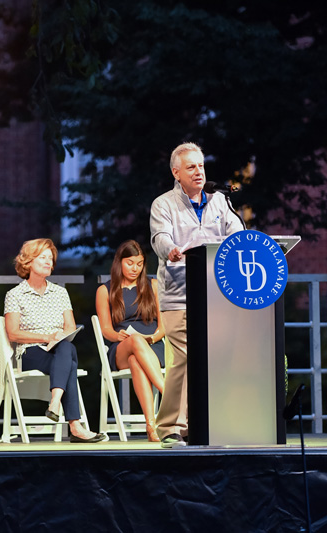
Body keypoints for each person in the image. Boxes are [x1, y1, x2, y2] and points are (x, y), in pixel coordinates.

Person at [150, 142, 243, 448]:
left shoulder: (220, 201)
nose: (199, 171)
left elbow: (237, 235)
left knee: (214, 358)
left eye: (201, 165)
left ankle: (201, 423)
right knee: (186, 357)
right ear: (176, 173)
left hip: (217, 295)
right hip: (179, 295)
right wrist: (171, 250)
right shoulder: (163, 204)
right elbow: (159, 237)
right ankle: (170, 427)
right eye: (191, 167)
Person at [4, 238, 107, 443]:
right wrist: (46, 337)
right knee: (68, 361)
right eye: (43, 258)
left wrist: (59, 336)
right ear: (28, 262)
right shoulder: (15, 294)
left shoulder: (60, 292)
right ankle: (75, 426)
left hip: (58, 347)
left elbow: (70, 325)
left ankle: (55, 403)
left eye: (51, 259)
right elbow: (13, 333)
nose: (49, 262)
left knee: (66, 347)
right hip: (31, 351)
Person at [95, 240, 165, 442]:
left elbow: (164, 326)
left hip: (153, 347)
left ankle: (151, 427)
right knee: (134, 343)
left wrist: (151, 338)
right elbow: (106, 329)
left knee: (137, 360)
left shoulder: (153, 286)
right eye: (130, 263)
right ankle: (169, 395)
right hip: (121, 348)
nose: (135, 268)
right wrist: (118, 336)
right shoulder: (105, 290)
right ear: (120, 262)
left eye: (140, 263)